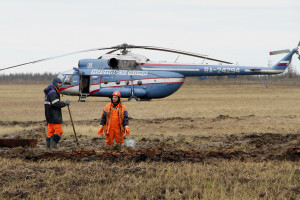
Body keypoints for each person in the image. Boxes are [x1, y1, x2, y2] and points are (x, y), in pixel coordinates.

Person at [44, 77, 70, 148]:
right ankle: (53, 147)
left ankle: (48, 148)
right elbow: (55, 103)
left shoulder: (49, 91)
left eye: (60, 83)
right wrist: (64, 103)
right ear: (55, 83)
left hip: (49, 115)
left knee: (50, 132)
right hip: (54, 115)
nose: (60, 85)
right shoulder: (53, 92)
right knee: (59, 131)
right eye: (59, 83)